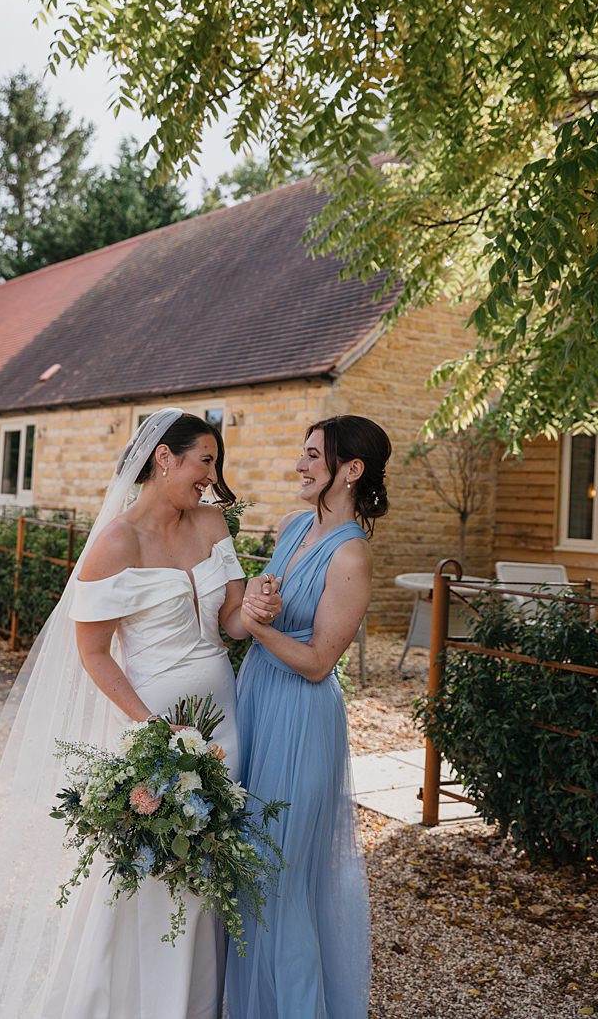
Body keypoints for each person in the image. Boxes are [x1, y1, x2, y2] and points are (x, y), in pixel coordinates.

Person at [0, 410, 257, 1018]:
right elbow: (92, 652)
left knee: (207, 866)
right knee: (149, 871)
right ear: (164, 458)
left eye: (214, 464)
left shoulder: (213, 523)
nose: (212, 477)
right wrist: (153, 730)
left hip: (224, 722)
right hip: (154, 729)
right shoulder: (117, 543)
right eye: (205, 461)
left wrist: (259, 606)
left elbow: (231, 622)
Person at [224, 414, 390, 1016]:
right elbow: (264, 603)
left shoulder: (352, 557)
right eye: (303, 453)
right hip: (258, 700)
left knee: (280, 877)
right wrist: (256, 602)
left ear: (351, 470)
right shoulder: (294, 527)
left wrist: (256, 628)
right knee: (242, 864)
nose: (301, 464)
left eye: (314, 456)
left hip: (300, 716)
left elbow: (319, 661)